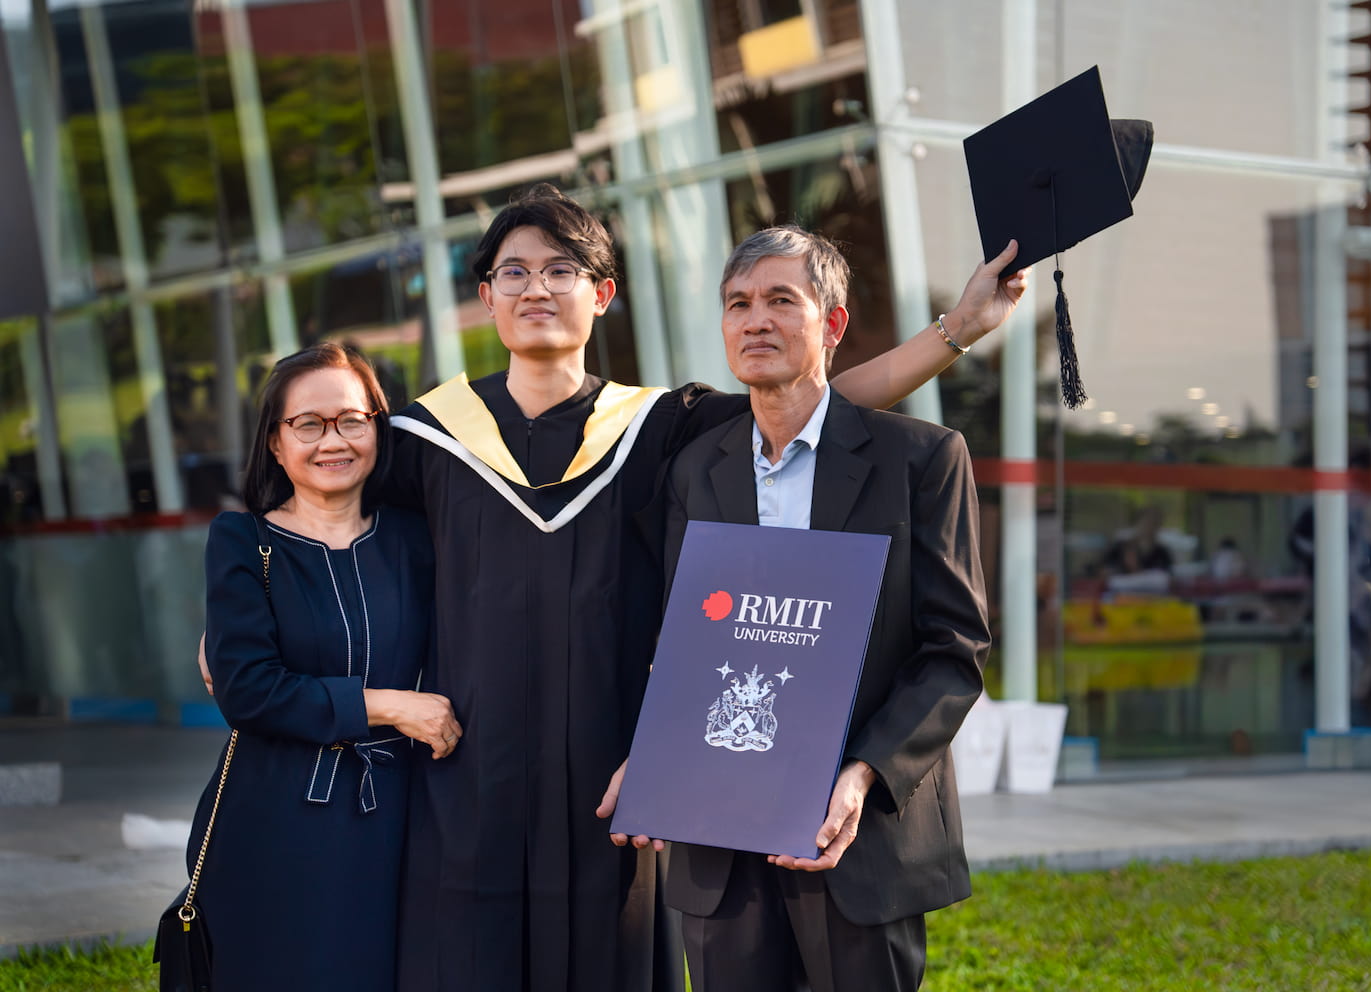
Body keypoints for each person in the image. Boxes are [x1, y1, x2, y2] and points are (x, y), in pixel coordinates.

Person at [384, 185, 1025, 992]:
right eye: (513, 272)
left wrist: (956, 333)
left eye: (560, 269)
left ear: (602, 294)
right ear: (485, 297)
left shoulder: (657, 430)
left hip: (654, 769)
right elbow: (335, 520)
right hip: (487, 770)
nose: (536, 288)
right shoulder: (426, 436)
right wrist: (245, 616)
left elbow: (815, 408)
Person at [614, 225, 990, 991]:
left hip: (858, 831)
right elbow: (681, 640)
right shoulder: (696, 470)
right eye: (739, 303)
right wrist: (657, 758)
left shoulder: (919, 460)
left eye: (782, 300)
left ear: (833, 323)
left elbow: (951, 655)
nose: (757, 320)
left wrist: (861, 776)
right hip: (719, 833)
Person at [188, 343, 460, 992]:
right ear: (276, 445)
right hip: (274, 817)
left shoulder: (416, 537)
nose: (331, 440)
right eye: (307, 424)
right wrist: (392, 705)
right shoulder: (242, 541)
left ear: (378, 428)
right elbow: (248, 693)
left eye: (351, 420)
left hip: (397, 815)